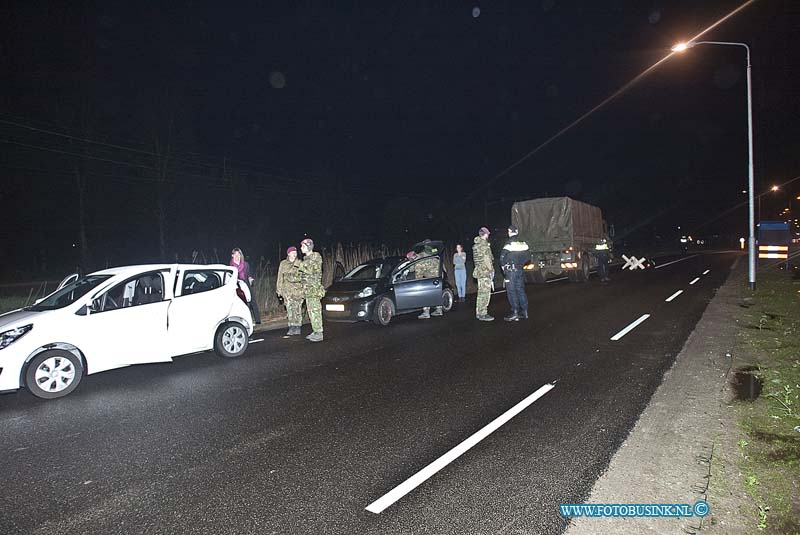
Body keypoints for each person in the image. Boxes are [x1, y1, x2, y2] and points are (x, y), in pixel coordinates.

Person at [500, 225, 531, 321]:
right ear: (517, 232)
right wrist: (520, 263)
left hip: (511, 271)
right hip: (520, 270)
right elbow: (528, 257)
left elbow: (502, 257)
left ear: (509, 232)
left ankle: (515, 312)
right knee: (521, 290)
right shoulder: (523, 243)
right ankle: (525, 312)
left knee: (511, 291)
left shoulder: (509, 243)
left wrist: (504, 267)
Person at [297, 238, 325, 342]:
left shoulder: (316, 256)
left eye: (303, 246)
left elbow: (311, 270)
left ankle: (319, 333)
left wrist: (298, 264)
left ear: (308, 247)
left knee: (315, 311)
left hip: (314, 290)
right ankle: (315, 331)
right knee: (311, 312)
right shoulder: (306, 259)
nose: (301, 248)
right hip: (308, 290)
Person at [277, 246, 303, 336]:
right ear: (288, 253)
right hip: (287, 291)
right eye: (292, 252)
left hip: (298, 291)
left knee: (297, 309)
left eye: (295, 252)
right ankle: (291, 327)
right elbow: (280, 277)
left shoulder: (299, 263)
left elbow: (303, 277)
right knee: (289, 310)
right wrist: (279, 290)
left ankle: (298, 326)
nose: (294, 253)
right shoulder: (283, 264)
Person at [230, 247, 261, 324]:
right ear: (232, 255)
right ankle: (244, 322)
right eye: (235, 255)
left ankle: (258, 321)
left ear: (241, 255)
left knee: (253, 302)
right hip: (237, 286)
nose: (237, 257)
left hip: (246, 284)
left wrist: (250, 278)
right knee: (242, 304)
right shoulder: (231, 267)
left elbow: (249, 274)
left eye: (239, 255)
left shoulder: (246, 264)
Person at [416, 240, 443, 319]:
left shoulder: (422, 254)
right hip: (438, 276)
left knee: (426, 294)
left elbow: (418, 266)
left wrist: (418, 280)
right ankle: (439, 310)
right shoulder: (435, 251)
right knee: (436, 293)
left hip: (429, 278)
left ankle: (426, 313)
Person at [472, 227, 494, 321]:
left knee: (480, 293)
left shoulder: (476, 245)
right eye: (487, 234)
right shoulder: (484, 245)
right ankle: (483, 313)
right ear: (485, 235)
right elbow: (487, 259)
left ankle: (479, 312)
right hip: (485, 272)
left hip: (479, 271)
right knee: (485, 293)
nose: (488, 235)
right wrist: (491, 270)